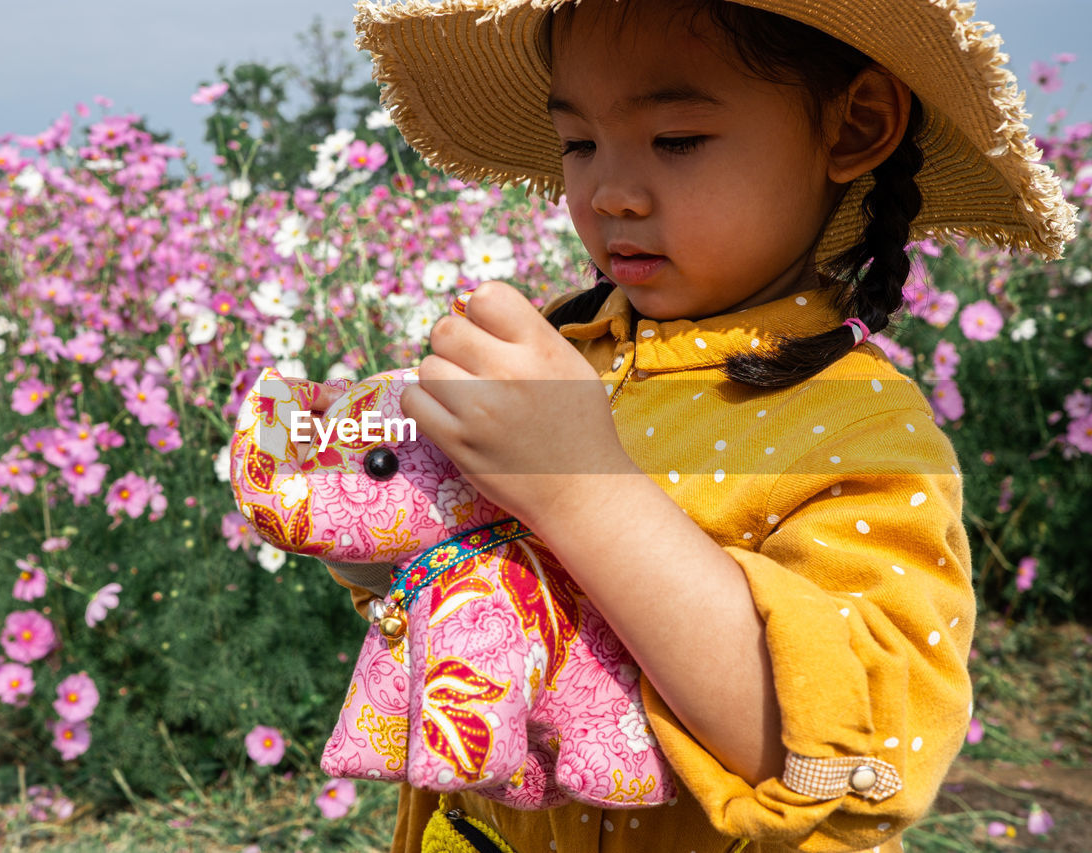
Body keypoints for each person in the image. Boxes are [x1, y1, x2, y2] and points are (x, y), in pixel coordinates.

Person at [326, 0, 1079, 850]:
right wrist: (366, 516)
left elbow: (860, 756)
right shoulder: (568, 357)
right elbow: (455, 588)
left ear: (854, 126)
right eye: (579, 144)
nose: (609, 192)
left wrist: (581, 491)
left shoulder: (862, 431)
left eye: (676, 139)